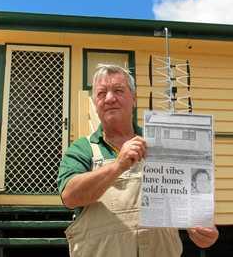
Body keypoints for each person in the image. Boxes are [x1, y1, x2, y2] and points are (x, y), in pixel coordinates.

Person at [57, 64, 219, 257]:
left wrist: (201, 228)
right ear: (94, 102)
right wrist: (118, 166)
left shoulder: (163, 144)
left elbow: (191, 205)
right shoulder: (82, 149)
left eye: (118, 90)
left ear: (134, 98)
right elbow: (70, 197)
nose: (109, 98)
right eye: (101, 93)